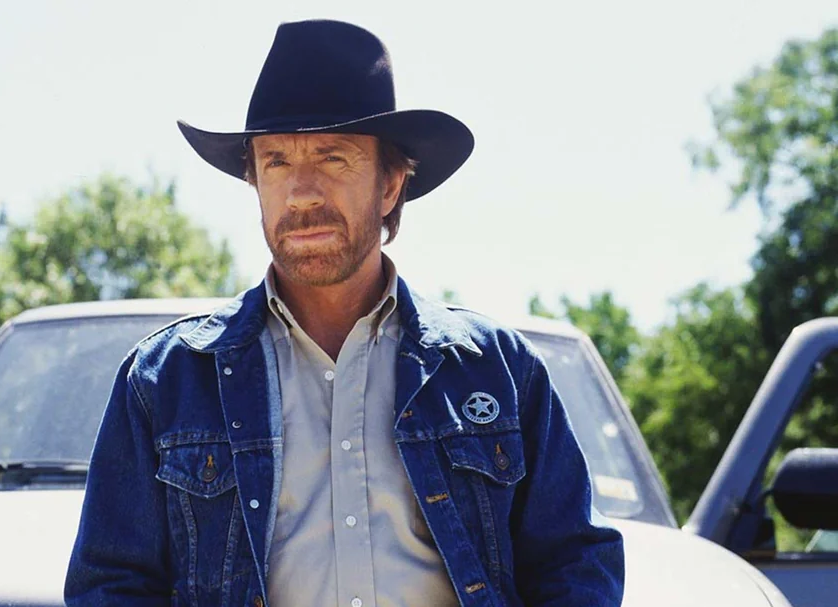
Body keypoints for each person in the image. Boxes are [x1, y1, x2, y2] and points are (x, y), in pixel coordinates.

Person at [65, 19, 624, 607]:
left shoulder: (498, 370)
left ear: (390, 186)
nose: (302, 192)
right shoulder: (166, 380)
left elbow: (575, 564)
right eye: (276, 162)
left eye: (333, 158)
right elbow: (111, 586)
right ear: (254, 182)